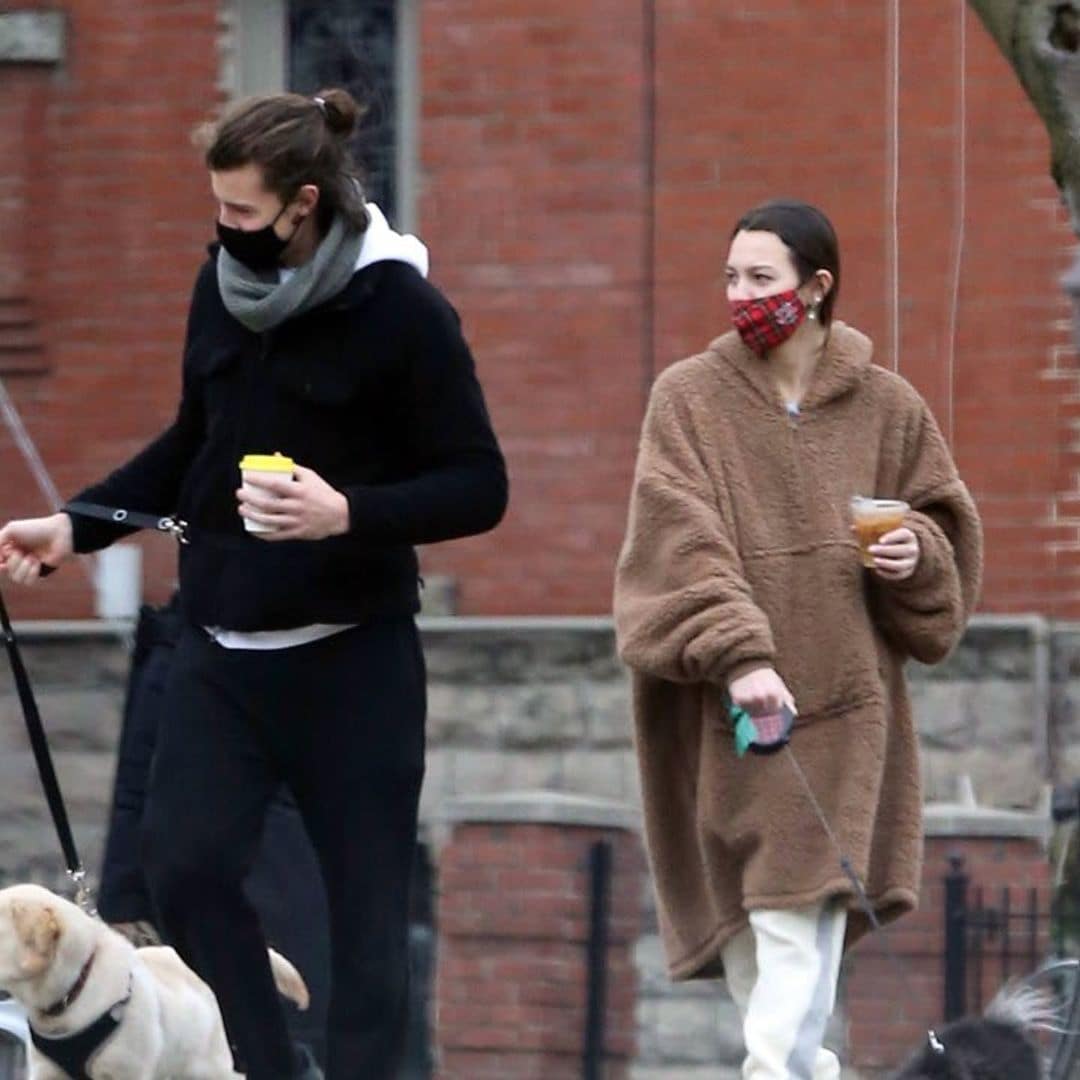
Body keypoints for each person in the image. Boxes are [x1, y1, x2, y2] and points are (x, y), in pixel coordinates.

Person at [0, 88, 507, 1080]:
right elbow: (194, 447)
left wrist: (348, 511)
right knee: (181, 872)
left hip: (353, 660)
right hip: (223, 652)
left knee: (367, 926)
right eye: (216, 208)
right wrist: (75, 525)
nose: (223, 229)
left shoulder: (402, 310)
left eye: (241, 211)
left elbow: (478, 484)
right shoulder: (220, 287)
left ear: (303, 204)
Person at [612, 199, 982, 1079]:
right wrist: (740, 655)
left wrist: (914, 552)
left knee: (796, 920)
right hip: (729, 711)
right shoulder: (689, 398)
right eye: (732, 276)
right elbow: (678, 535)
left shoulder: (889, 407)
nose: (741, 295)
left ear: (815, 289)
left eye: (761, 278)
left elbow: (943, 533)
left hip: (848, 706)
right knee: (759, 945)